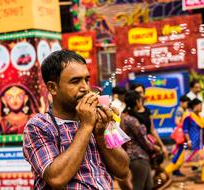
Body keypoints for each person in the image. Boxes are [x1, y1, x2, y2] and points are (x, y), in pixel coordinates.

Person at [23, 50, 130, 189]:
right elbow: (56, 178)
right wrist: (86, 126)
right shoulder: (39, 126)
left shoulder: (98, 117)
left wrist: (100, 134)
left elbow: (123, 170)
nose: (85, 88)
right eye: (75, 81)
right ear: (53, 88)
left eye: (86, 79)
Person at [121, 90, 160, 190]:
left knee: (149, 186)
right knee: (139, 187)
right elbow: (142, 139)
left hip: (139, 157)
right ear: (137, 102)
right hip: (138, 157)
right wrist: (155, 148)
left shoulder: (125, 117)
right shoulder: (131, 120)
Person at [130, 83, 168, 157]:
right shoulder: (129, 113)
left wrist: (162, 146)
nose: (139, 95)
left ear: (144, 94)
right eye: (136, 93)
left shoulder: (147, 110)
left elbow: (152, 130)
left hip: (149, 146)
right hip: (137, 151)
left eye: (140, 92)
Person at [166, 95, 190, 177]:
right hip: (182, 137)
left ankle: (176, 170)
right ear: (182, 102)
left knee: (182, 152)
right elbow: (177, 122)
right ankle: (168, 170)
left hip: (183, 136)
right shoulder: (180, 110)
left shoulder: (184, 110)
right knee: (180, 152)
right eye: (187, 103)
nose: (187, 104)